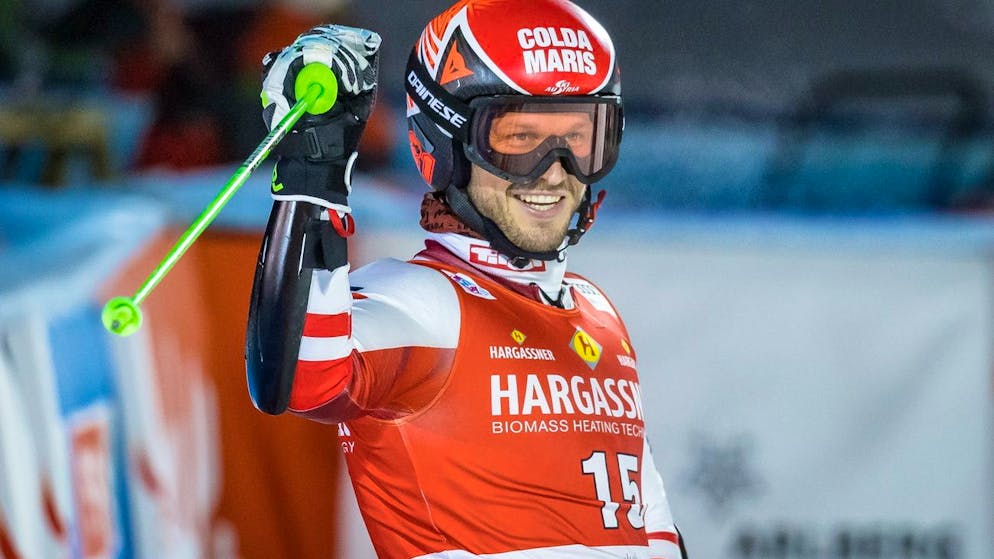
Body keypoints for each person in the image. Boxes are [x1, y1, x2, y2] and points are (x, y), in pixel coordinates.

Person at [245, 1, 688, 558]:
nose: (555, 172)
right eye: (520, 138)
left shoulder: (598, 312)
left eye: (579, 138)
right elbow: (298, 380)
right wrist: (315, 172)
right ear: (447, 143)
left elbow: (656, 531)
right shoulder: (428, 302)